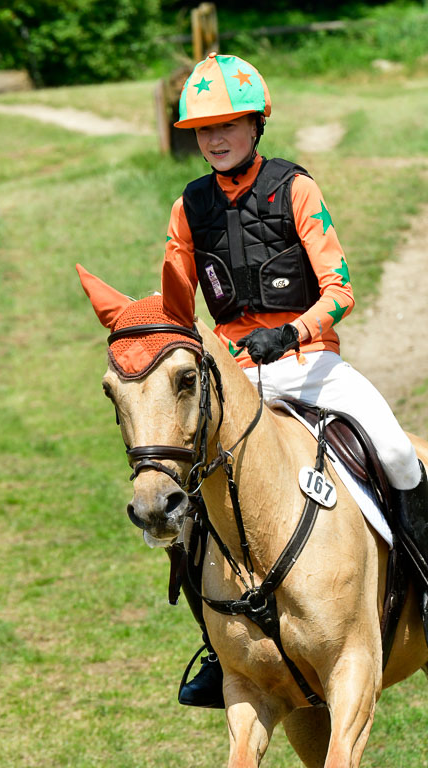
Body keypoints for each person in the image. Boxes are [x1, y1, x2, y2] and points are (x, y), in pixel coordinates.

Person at [162, 52, 428, 708]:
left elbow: (341, 289)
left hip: (310, 367)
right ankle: (215, 645)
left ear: (256, 125)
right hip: (234, 381)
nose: (216, 138)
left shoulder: (295, 188)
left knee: (396, 450)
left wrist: (295, 331)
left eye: (228, 125)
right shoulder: (189, 207)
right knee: (183, 499)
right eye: (203, 129)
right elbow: (172, 303)